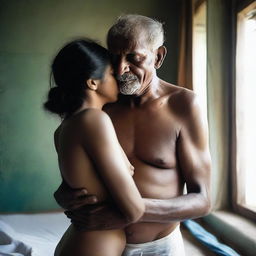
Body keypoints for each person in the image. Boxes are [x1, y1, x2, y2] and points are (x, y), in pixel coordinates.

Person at [54, 15, 212, 256]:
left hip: (159, 248)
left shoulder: (184, 105)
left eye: (134, 58)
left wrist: (124, 210)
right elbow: (76, 168)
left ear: (158, 56)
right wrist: (64, 194)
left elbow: (202, 201)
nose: (120, 69)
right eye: (114, 57)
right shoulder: (98, 105)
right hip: (101, 245)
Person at [44, 39, 145, 256]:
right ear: (92, 83)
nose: (118, 78)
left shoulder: (65, 128)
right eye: (111, 73)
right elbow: (135, 209)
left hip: (80, 243)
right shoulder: (95, 120)